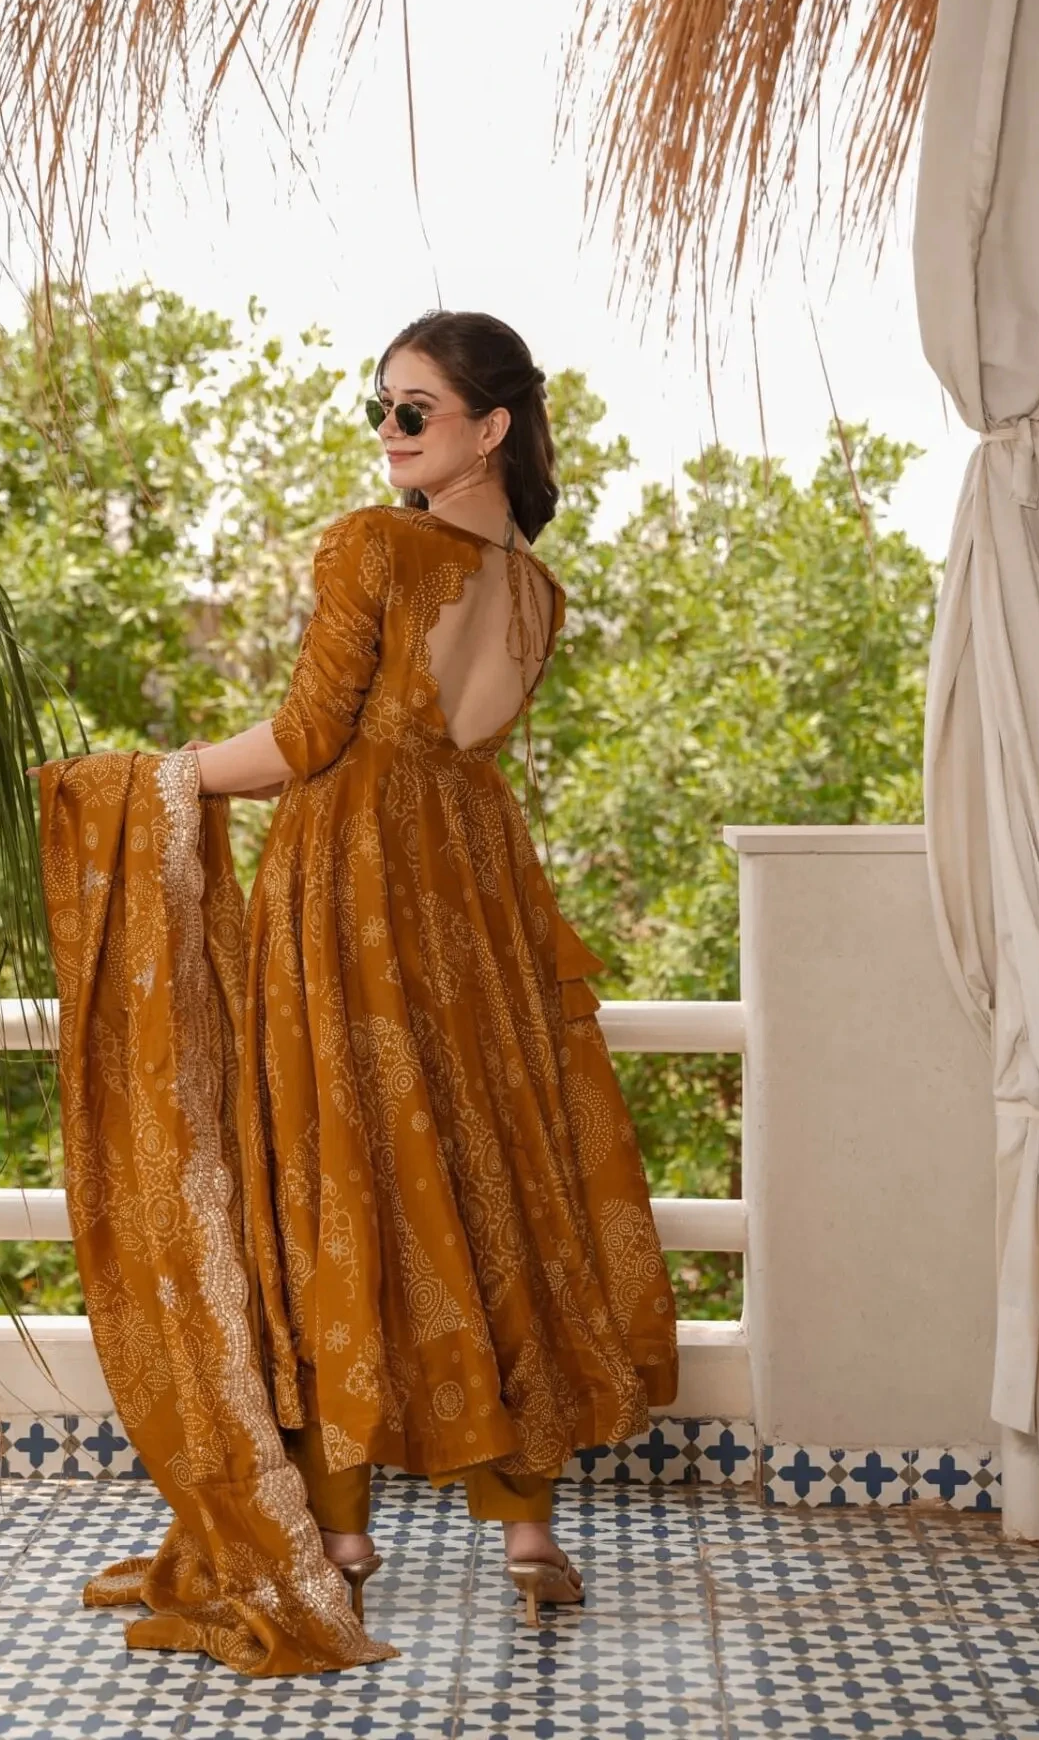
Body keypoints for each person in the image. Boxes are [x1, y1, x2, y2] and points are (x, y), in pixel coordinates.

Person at [181, 308, 679, 1629]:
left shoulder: (374, 546)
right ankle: (529, 1539)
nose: (389, 433)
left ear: (490, 427)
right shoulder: (536, 590)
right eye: (381, 410)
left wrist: (155, 780)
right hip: (477, 891)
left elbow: (304, 741)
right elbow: (447, 738)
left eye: (413, 411)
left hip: (352, 887)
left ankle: (343, 1541)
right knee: (487, 1172)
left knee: (336, 1170)